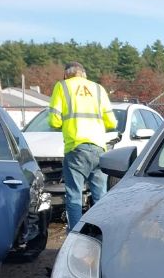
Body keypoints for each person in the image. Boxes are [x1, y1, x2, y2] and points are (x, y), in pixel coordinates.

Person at [48, 62, 117, 231]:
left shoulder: (62, 87)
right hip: (99, 149)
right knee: (100, 196)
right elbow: (112, 122)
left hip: (76, 148)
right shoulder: (98, 89)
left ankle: (76, 236)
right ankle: (101, 232)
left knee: (74, 196)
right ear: (84, 75)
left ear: (66, 75)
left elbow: (53, 120)